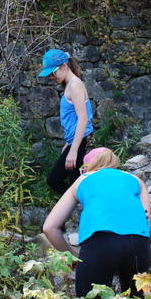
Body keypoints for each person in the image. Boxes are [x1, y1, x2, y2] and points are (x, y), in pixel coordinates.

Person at [42, 147, 151, 298]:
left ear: (87, 167)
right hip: (138, 243)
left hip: (100, 240)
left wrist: (72, 256)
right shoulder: (135, 180)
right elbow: (147, 217)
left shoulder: (84, 179)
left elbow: (49, 227)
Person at [38, 49, 94, 194]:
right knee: (75, 184)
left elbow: (83, 119)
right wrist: (69, 144)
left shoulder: (75, 85)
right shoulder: (70, 85)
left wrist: (73, 150)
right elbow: (75, 119)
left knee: (54, 180)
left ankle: (88, 203)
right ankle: (84, 206)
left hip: (81, 141)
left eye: (52, 72)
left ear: (64, 66)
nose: (51, 77)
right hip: (76, 140)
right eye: (49, 74)